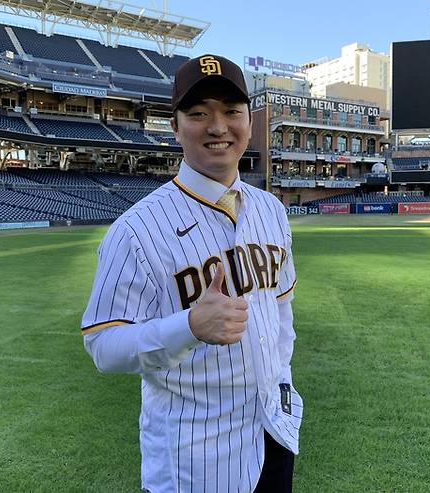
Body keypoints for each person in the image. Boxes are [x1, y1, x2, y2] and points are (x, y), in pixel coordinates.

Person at [81, 54, 302, 493]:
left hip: (273, 432)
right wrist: (189, 326)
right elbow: (102, 345)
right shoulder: (137, 230)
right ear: (175, 126)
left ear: (249, 123)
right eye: (199, 113)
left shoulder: (272, 211)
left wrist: (282, 385)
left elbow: (281, 312)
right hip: (195, 460)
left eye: (232, 112)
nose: (218, 127)